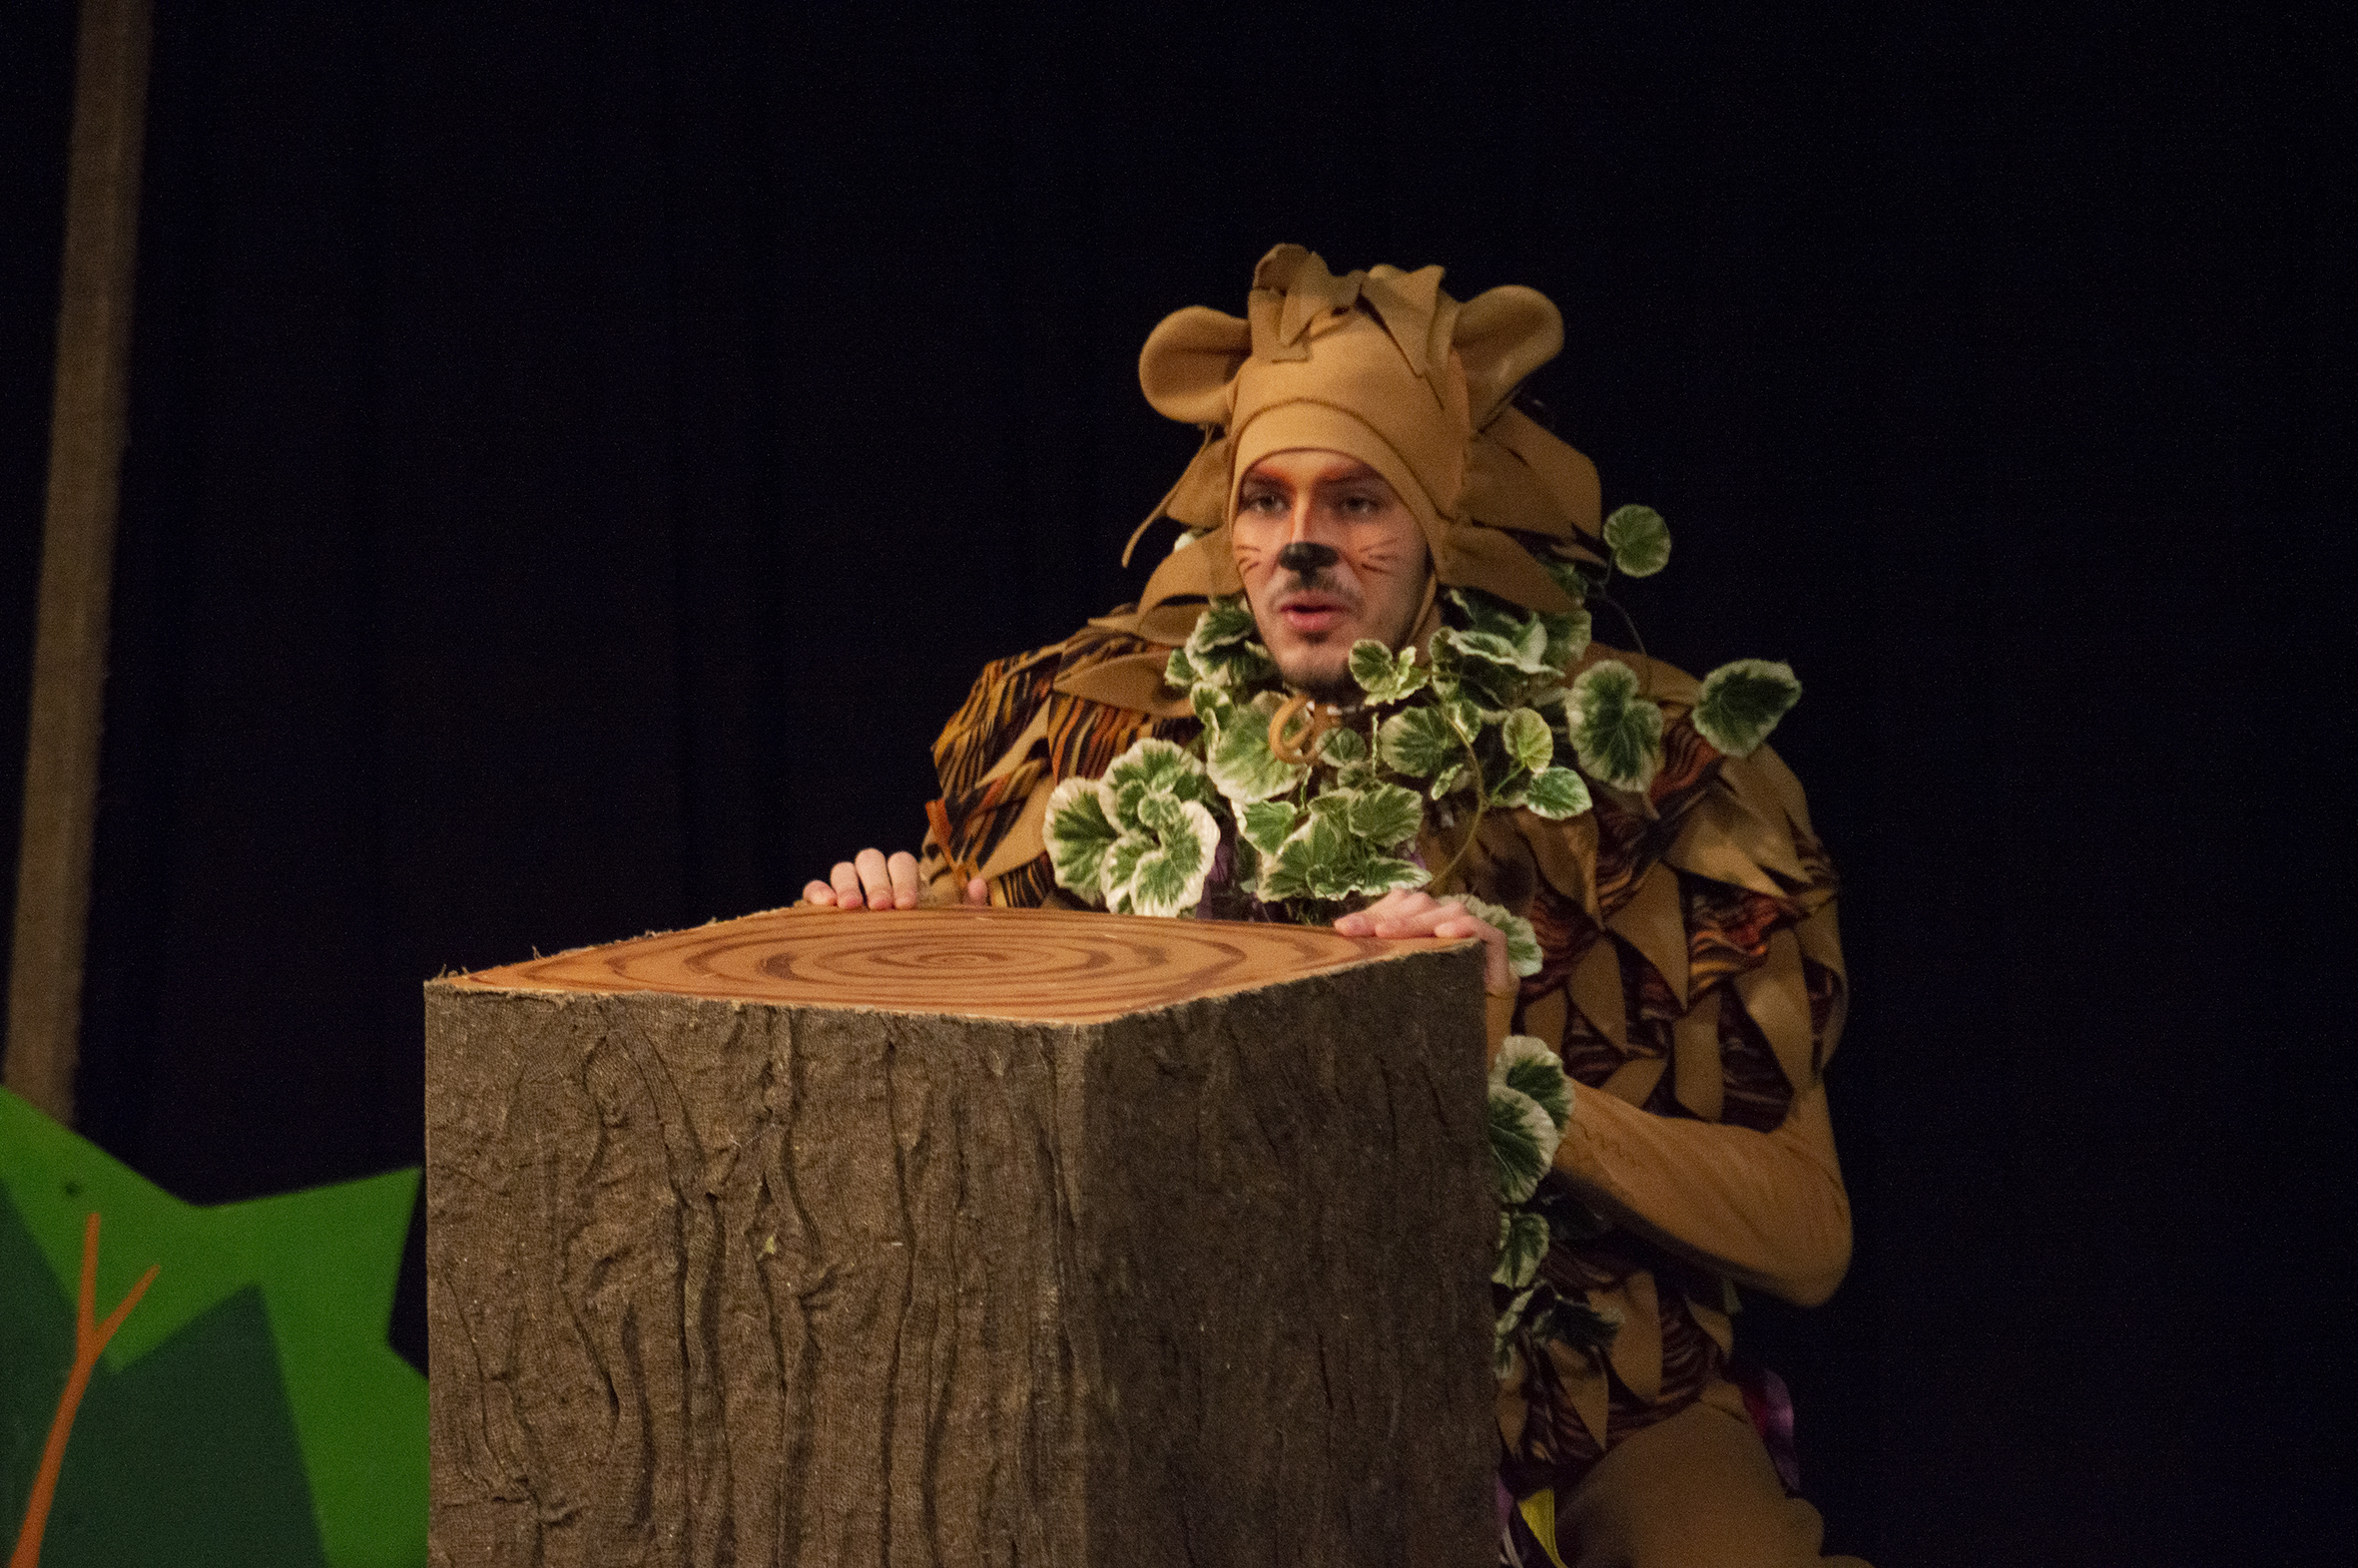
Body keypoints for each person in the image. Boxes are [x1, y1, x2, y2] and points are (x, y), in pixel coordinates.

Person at [807, 245, 1864, 1568]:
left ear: (1443, 527)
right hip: (1208, 1370)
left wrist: (1506, 1089)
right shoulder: (1094, 742)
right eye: (1267, 500)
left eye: (1357, 500)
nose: (1300, 542)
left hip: (1583, 1392)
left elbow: (1808, 1238)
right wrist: (893, 947)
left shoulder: (1630, 778)